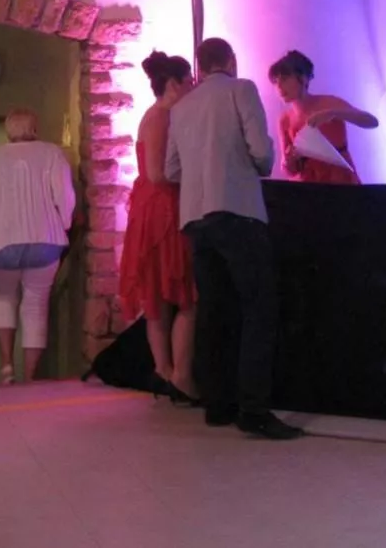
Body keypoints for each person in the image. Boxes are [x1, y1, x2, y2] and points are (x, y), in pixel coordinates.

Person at [166, 38, 303, 440]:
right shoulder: (241, 89)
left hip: (195, 217)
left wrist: (201, 170)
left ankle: (218, 403)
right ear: (230, 60)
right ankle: (253, 409)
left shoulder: (182, 106)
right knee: (258, 307)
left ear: (200, 65)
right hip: (237, 210)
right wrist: (250, 162)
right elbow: (261, 153)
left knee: (214, 310)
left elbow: (171, 169)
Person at [0, 109, 75, 384]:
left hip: (2, 242)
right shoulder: (52, 153)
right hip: (46, 240)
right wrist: (64, 223)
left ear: (8, 131)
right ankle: (29, 378)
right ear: (34, 128)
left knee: (4, 298)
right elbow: (64, 193)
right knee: (36, 306)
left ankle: (6, 366)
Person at [119, 51, 198, 404]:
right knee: (181, 294)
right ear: (173, 84)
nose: (192, 86)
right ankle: (176, 374)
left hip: (155, 206)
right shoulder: (160, 117)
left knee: (161, 295)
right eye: (189, 81)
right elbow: (156, 172)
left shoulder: (160, 115)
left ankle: (166, 372)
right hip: (163, 208)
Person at [268, 50, 377, 184]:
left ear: (303, 78)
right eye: (275, 81)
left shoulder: (329, 103)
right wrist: (289, 161)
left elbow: (372, 122)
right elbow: (289, 169)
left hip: (341, 181)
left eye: (284, 79)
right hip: (308, 184)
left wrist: (333, 113)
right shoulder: (285, 120)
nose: (279, 86)